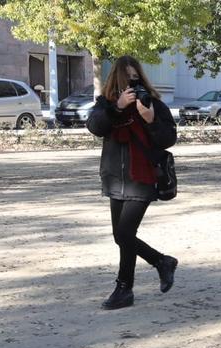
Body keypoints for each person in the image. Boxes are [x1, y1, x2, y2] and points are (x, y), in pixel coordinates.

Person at [86, 55, 178, 310]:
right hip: (116, 177)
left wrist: (150, 120)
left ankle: (149, 270)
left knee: (125, 233)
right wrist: (117, 107)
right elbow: (95, 127)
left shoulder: (153, 104)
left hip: (144, 177)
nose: (132, 83)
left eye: (135, 77)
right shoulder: (106, 103)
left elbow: (169, 138)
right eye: (127, 78)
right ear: (118, 79)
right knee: (122, 236)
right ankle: (131, 286)